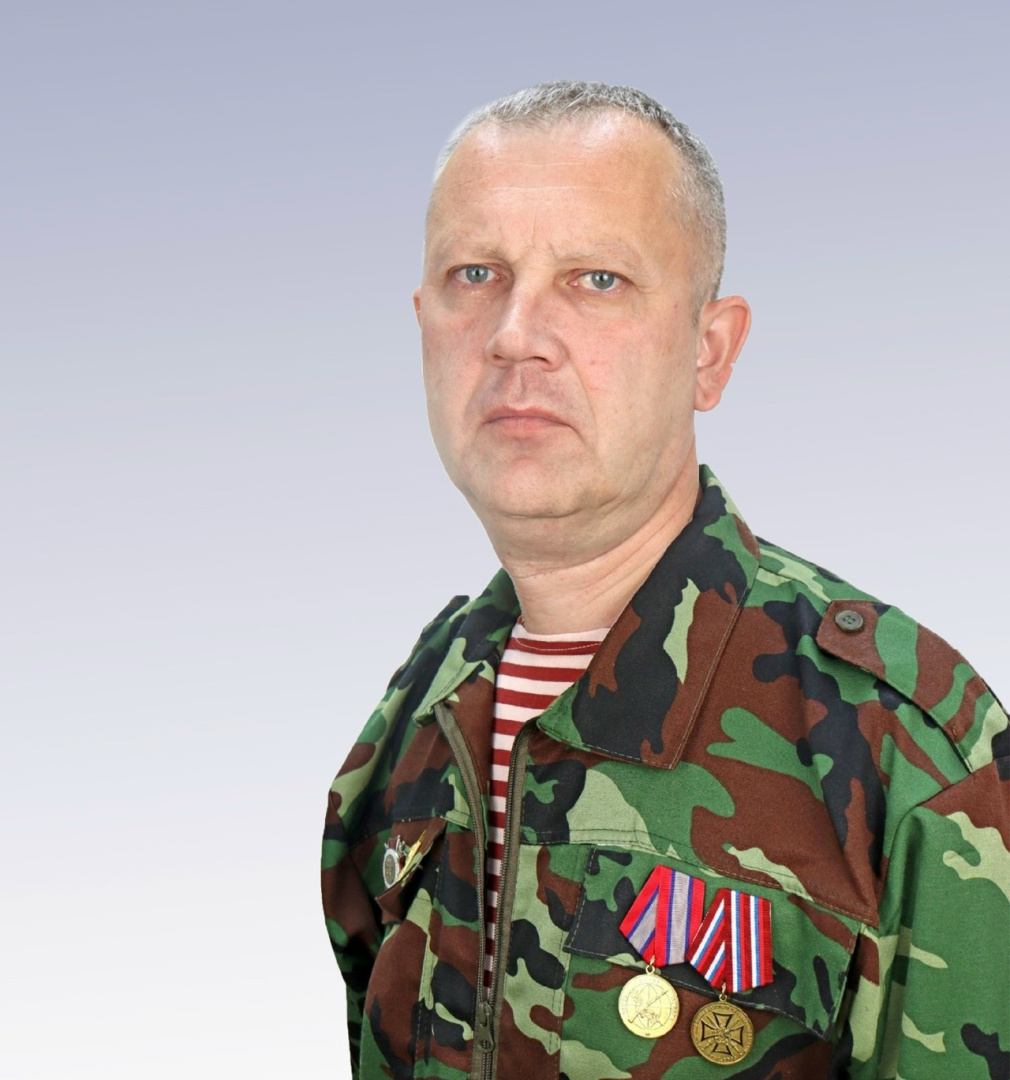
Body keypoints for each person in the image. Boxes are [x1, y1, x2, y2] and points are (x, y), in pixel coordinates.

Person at [320, 81, 1008, 1079]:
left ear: (708, 352)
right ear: (423, 322)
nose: (514, 332)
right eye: (475, 273)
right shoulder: (415, 713)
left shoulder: (905, 752)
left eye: (595, 279)